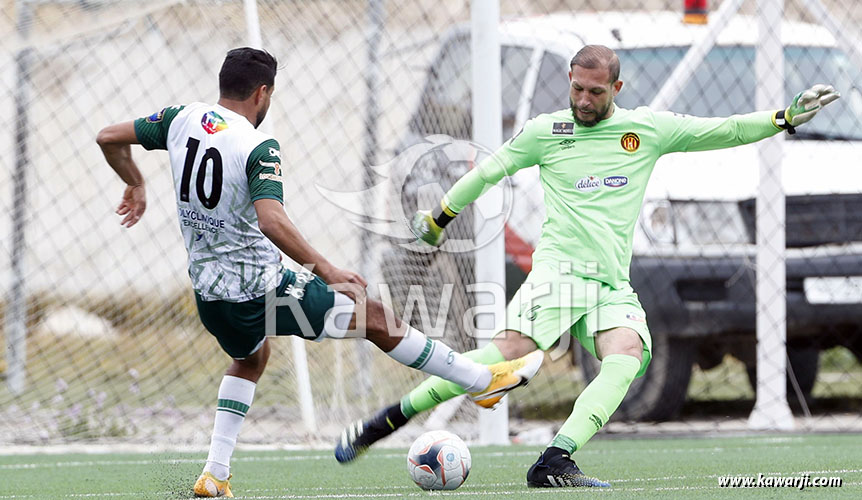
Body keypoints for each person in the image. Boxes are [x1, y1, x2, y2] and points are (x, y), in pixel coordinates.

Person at [334, 44, 840, 487]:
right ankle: (381, 424)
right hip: (557, 274)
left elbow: (723, 130)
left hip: (610, 284)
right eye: (576, 89)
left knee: (628, 355)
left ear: (616, 87)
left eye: (595, 92)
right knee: (499, 355)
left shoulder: (646, 130)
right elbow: (488, 171)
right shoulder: (546, 131)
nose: (582, 101)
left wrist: (785, 117)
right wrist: (439, 219)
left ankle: (555, 459)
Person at [96, 47, 543, 498]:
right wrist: (328, 271)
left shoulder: (180, 118)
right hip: (262, 291)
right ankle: (483, 381)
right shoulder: (256, 145)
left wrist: (133, 180)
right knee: (373, 317)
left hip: (210, 296)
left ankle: (215, 474)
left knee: (252, 358)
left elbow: (108, 136)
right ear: (262, 92)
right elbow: (271, 220)